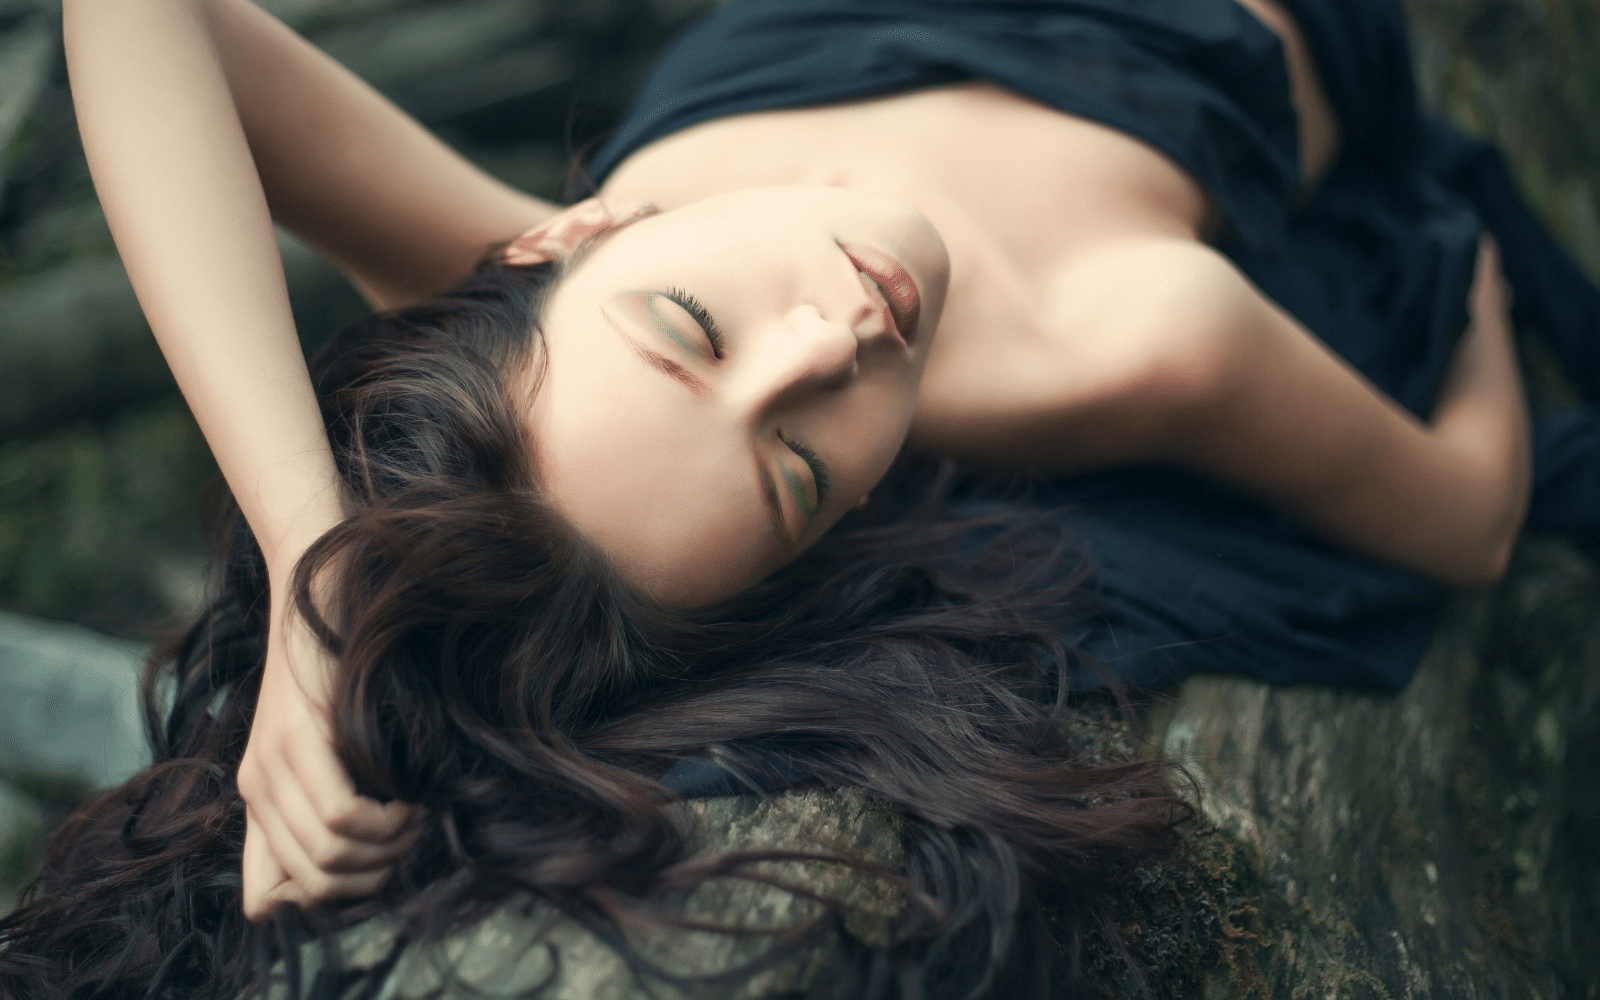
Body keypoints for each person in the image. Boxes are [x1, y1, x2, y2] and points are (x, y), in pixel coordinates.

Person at [4, 0, 1597, 995]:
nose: (843, 331)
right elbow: (1463, 516)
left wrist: (312, 567)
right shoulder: (1137, 339)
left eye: (690, 329)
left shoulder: (541, 256)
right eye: (803, 470)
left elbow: (141, 18)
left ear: (565, 243)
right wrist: (1471, 307)